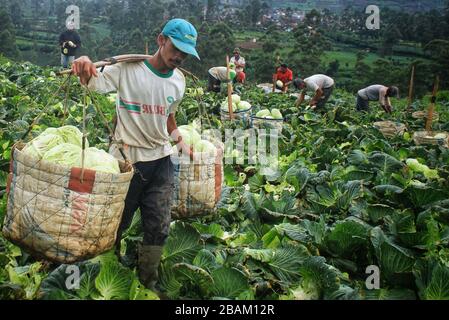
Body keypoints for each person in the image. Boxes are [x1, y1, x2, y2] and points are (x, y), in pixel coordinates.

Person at [71, 18, 200, 291]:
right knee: (116, 223)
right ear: (161, 40)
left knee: (159, 225)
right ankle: (108, 268)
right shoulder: (127, 69)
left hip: (161, 161)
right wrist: (83, 62)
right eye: (175, 48)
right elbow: (91, 80)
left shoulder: (178, 81)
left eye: (185, 53)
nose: (179, 57)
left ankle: (146, 281)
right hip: (128, 162)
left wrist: (180, 142)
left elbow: (169, 118)